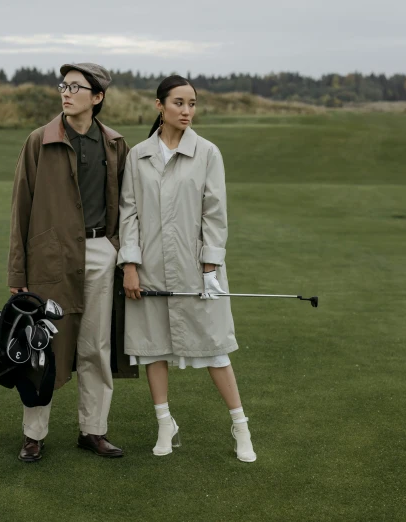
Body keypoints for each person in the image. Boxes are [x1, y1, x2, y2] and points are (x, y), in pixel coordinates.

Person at [118, 75, 257, 463]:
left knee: (215, 349)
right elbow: (128, 213)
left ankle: (240, 425)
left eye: (192, 103)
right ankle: (165, 423)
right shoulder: (138, 155)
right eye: (179, 103)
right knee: (153, 349)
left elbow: (215, 213)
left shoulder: (208, 153)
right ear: (159, 106)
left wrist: (210, 269)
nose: (187, 111)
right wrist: (130, 265)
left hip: (198, 271)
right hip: (149, 270)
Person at [7, 62, 135, 462]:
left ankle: (93, 430)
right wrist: (17, 272)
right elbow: (20, 209)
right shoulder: (37, 141)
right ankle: (33, 435)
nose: (66, 92)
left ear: (97, 98)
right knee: (42, 347)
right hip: (50, 258)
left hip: (101, 253)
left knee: (96, 347)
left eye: (76, 87)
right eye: (63, 85)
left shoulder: (114, 144)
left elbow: (126, 206)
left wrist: (117, 248)